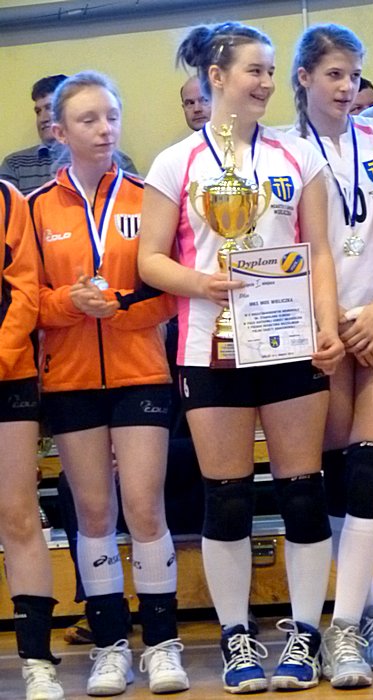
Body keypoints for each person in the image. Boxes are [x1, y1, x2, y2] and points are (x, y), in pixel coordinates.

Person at [138, 20, 344, 695]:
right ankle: (236, 636)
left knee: (302, 491)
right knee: (225, 500)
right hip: (210, 348)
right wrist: (202, 283)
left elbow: (319, 252)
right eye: (254, 70)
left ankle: (306, 633)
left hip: (288, 344)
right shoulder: (176, 162)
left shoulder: (296, 156)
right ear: (216, 76)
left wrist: (325, 326)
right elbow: (149, 259)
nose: (265, 82)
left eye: (270, 70)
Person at [28, 71, 187, 696]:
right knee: (94, 513)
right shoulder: (37, 207)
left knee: (145, 507)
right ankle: (110, 646)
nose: (104, 129)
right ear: (59, 131)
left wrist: (117, 307)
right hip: (70, 379)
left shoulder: (148, 198)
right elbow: (29, 299)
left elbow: (170, 292)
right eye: (88, 120)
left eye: (111, 117)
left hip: (139, 370)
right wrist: (69, 303)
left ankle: (164, 644)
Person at [291, 23, 373, 688]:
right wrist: (331, 321)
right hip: (323, 334)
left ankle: (345, 626)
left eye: (354, 75)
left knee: (370, 470)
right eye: (333, 74)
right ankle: (364, 614)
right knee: (336, 476)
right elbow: (294, 249)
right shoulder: (283, 150)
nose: (346, 87)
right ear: (304, 77)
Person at [0, 180, 64, 700]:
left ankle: (37, 662)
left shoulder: (6, 199)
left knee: (19, 516)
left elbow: (24, 291)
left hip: (8, 375)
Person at [0, 74, 137, 195]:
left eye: (49, 108)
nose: (43, 118)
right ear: (59, 133)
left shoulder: (119, 162)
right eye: (38, 111)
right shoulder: (15, 164)